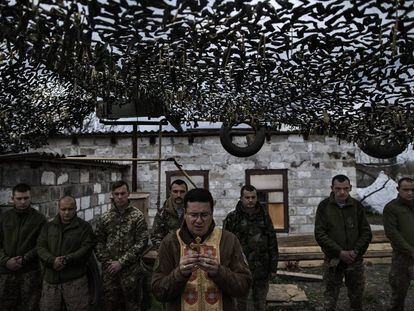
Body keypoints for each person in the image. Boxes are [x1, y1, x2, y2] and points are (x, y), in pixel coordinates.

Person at [152, 188, 252, 311]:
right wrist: (179, 274)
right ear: (185, 213)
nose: (199, 221)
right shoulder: (170, 242)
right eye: (193, 215)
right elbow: (158, 291)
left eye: (204, 215)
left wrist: (219, 272)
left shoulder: (228, 240)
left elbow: (245, 286)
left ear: (212, 213)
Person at [315, 174, 372, 311]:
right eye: (338, 188)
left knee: (356, 297)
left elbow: (366, 232)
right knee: (330, 297)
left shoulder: (357, 206)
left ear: (350, 188)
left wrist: (355, 251)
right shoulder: (324, 206)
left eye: (346, 189)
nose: (342, 192)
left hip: (355, 260)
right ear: (332, 188)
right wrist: (339, 252)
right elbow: (320, 234)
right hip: (333, 260)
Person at [223, 184, 279, 311]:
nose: (250, 200)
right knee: (240, 305)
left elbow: (272, 241)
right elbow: (225, 246)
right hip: (240, 271)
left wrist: (273, 267)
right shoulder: (232, 218)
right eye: (247, 197)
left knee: (260, 305)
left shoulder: (264, 216)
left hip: (261, 270)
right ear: (241, 198)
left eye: (253, 197)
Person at [95, 180, 149, 311]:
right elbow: (98, 242)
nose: (119, 197)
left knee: (133, 305)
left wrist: (121, 262)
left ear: (128, 194)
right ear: (112, 195)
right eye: (116, 194)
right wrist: (109, 263)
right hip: (110, 273)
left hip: (131, 273)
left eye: (123, 193)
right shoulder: (105, 217)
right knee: (109, 305)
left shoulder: (137, 216)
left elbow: (142, 243)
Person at [37, 195, 97, 311]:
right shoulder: (48, 227)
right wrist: (52, 260)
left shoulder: (84, 227)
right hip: (51, 281)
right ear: (58, 208)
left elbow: (86, 248)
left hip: (75, 281)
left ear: (76, 208)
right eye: (63, 209)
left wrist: (66, 259)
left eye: (70, 209)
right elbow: (40, 247)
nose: (66, 213)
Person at [0, 183, 46, 311]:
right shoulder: (4, 218)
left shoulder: (39, 219)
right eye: (19, 198)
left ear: (31, 198)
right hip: (5, 273)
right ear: (12, 199)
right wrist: (6, 261)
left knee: (30, 306)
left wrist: (24, 259)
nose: (23, 202)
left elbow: (42, 245)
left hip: (30, 272)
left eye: (26, 198)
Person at [383, 177, 414, 311]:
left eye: (412, 190)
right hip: (402, 259)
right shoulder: (391, 208)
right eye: (405, 190)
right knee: (398, 296)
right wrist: (411, 251)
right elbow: (393, 234)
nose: (409, 193)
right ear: (398, 190)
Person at [151, 179, 188, 249]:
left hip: (188, 251)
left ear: (186, 193)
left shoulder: (192, 211)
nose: (178, 195)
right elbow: (155, 237)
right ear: (170, 193)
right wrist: (164, 252)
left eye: (182, 192)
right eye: (175, 191)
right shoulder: (162, 213)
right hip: (168, 251)